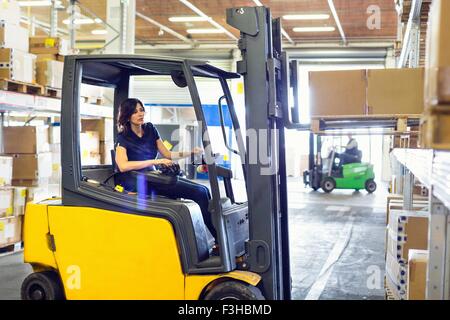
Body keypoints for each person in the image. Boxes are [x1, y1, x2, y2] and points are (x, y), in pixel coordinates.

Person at [114, 98, 216, 238]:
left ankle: (216, 237)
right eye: (135, 111)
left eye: (141, 110)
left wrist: (191, 152)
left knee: (204, 190)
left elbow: (167, 154)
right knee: (198, 192)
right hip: (137, 182)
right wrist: (154, 161)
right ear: (127, 115)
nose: (140, 114)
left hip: (153, 177)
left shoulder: (150, 129)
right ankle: (217, 237)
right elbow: (123, 165)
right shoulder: (123, 137)